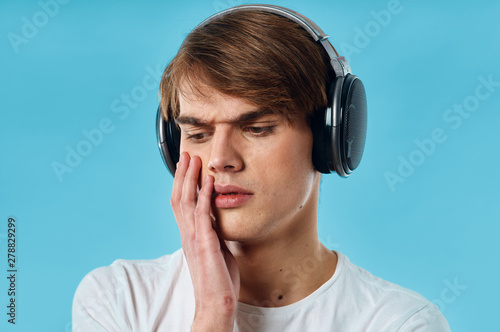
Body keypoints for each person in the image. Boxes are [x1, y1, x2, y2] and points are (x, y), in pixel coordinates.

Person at [73, 5, 450, 331]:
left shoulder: (400, 323)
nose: (221, 159)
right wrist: (213, 314)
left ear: (327, 138)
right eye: (199, 134)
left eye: (257, 129)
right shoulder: (118, 300)